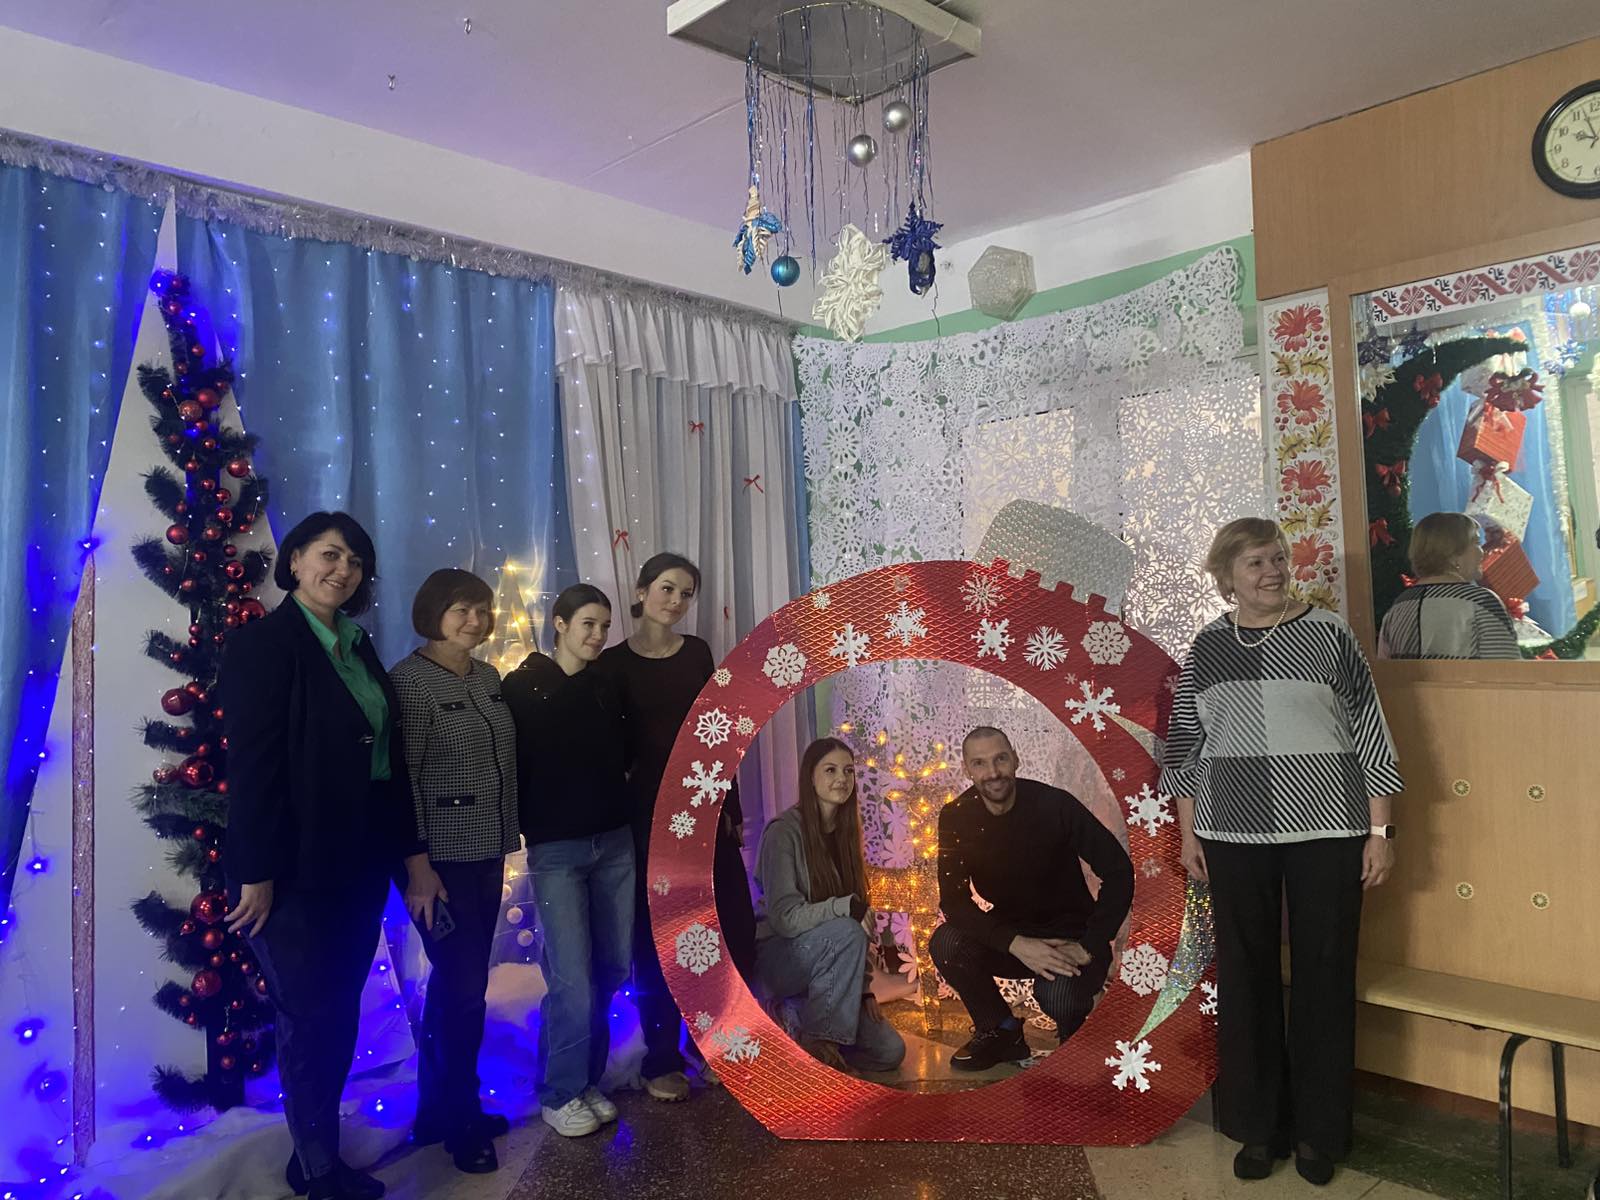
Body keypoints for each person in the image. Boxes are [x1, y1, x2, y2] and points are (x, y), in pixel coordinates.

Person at [1162, 517, 1402, 1187]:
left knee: (1326, 974)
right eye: (1255, 563)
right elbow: (1184, 747)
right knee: (1246, 978)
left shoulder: (1329, 634)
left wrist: (1381, 833)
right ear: (1226, 577)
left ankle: (1320, 1133)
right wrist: (1188, 833)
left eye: (1276, 558)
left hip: (1330, 829)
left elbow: (1372, 733)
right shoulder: (1208, 647)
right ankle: (1258, 1128)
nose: (1271, 572)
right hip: (1233, 834)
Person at [222, 512, 439, 1200]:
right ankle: (319, 1174)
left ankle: (310, 1155)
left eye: (355, 561)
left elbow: (387, 767)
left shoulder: (357, 645)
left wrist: (412, 855)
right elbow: (252, 767)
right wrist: (256, 871)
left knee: (338, 1013)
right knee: (310, 1019)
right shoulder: (264, 644)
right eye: (330, 554)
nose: (342, 570)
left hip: (356, 866)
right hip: (291, 873)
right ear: (294, 561)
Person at [596, 553, 757, 1102]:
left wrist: (732, 806)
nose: (676, 601)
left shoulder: (697, 654)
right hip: (647, 820)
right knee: (658, 939)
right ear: (641, 592)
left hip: (708, 811)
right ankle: (660, 1057)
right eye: (667, 588)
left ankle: (716, 1045)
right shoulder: (612, 665)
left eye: (686, 593)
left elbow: (720, 733)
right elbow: (609, 752)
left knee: (730, 926)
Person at [387, 569, 518, 1173]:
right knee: (463, 990)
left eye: (482, 610)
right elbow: (402, 781)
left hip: (487, 849)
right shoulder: (408, 683)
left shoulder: (489, 678)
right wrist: (417, 867)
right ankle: (462, 1119)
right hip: (436, 862)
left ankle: (436, 1109)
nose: (475, 620)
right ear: (433, 612)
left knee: (458, 985)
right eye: (461, 609)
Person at [502, 585, 634, 1139]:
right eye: (587, 623)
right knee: (571, 977)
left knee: (612, 967)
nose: (597, 635)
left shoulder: (606, 683)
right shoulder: (523, 687)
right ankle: (558, 1092)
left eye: (604, 625)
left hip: (615, 843)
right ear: (559, 623)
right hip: (557, 849)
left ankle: (585, 1080)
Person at [928, 727, 1134, 1072]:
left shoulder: (1055, 805)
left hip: (1070, 937)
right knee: (946, 943)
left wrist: (1090, 944)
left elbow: (1119, 871)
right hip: (1013, 937)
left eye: (1000, 759)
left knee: (1058, 996)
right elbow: (954, 902)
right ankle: (1001, 1032)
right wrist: (1015, 943)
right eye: (980, 763)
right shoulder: (956, 816)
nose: (992, 772)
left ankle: (1078, 1045)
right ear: (966, 769)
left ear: (1016, 759)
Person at [753, 738, 906, 1073]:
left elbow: (858, 926)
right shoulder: (783, 833)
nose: (842, 779)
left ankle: (802, 1018)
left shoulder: (847, 835)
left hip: (833, 968)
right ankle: (821, 1043)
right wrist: (842, 907)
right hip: (782, 959)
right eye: (831, 770)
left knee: (890, 1052)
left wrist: (863, 991)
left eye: (849, 771)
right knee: (846, 928)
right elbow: (785, 919)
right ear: (810, 777)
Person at [1378, 512, 1518, 659]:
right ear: (1454, 555)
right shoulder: (1481, 602)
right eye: (1476, 542)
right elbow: (1507, 669)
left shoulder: (1399, 606)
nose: (1482, 551)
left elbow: (1383, 669)